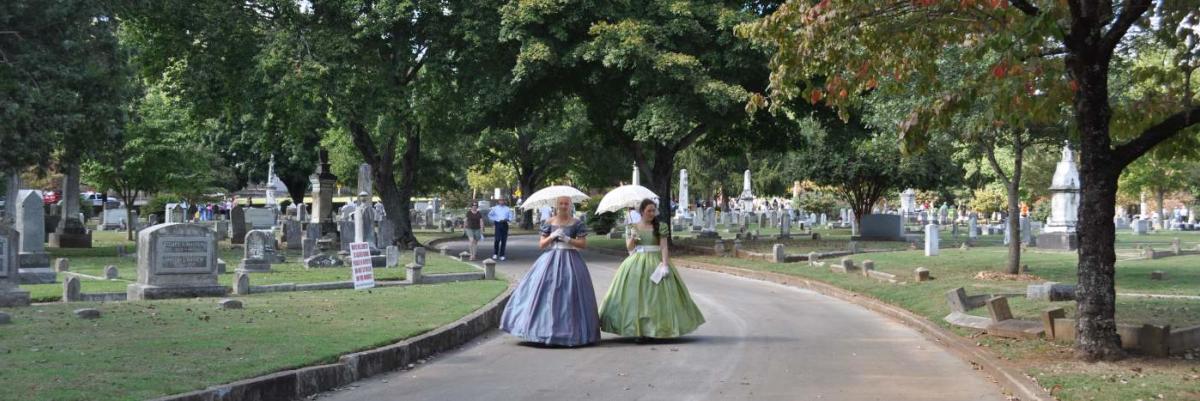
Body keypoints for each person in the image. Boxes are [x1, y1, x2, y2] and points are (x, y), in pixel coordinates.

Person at [499, 196, 600, 346]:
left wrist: (567, 239)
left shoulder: (576, 223)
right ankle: (542, 330)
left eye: (566, 203)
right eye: (561, 203)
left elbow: (583, 244)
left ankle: (571, 332)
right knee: (546, 293)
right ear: (556, 205)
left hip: (571, 258)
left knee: (570, 294)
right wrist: (552, 236)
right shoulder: (549, 222)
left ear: (570, 205)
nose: (564, 206)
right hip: (551, 258)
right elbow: (542, 244)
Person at [599, 199, 705, 339]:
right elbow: (629, 249)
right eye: (649, 210)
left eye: (653, 210)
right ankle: (638, 330)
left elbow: (664, 247)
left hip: (656, 262)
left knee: (657, 298)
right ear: (642, 211)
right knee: (636, 296)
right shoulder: (633, 227)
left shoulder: (660, 226)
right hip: (637, 262)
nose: (651, 213)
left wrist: (665, 264)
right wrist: (633, 238)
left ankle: (657, 328)